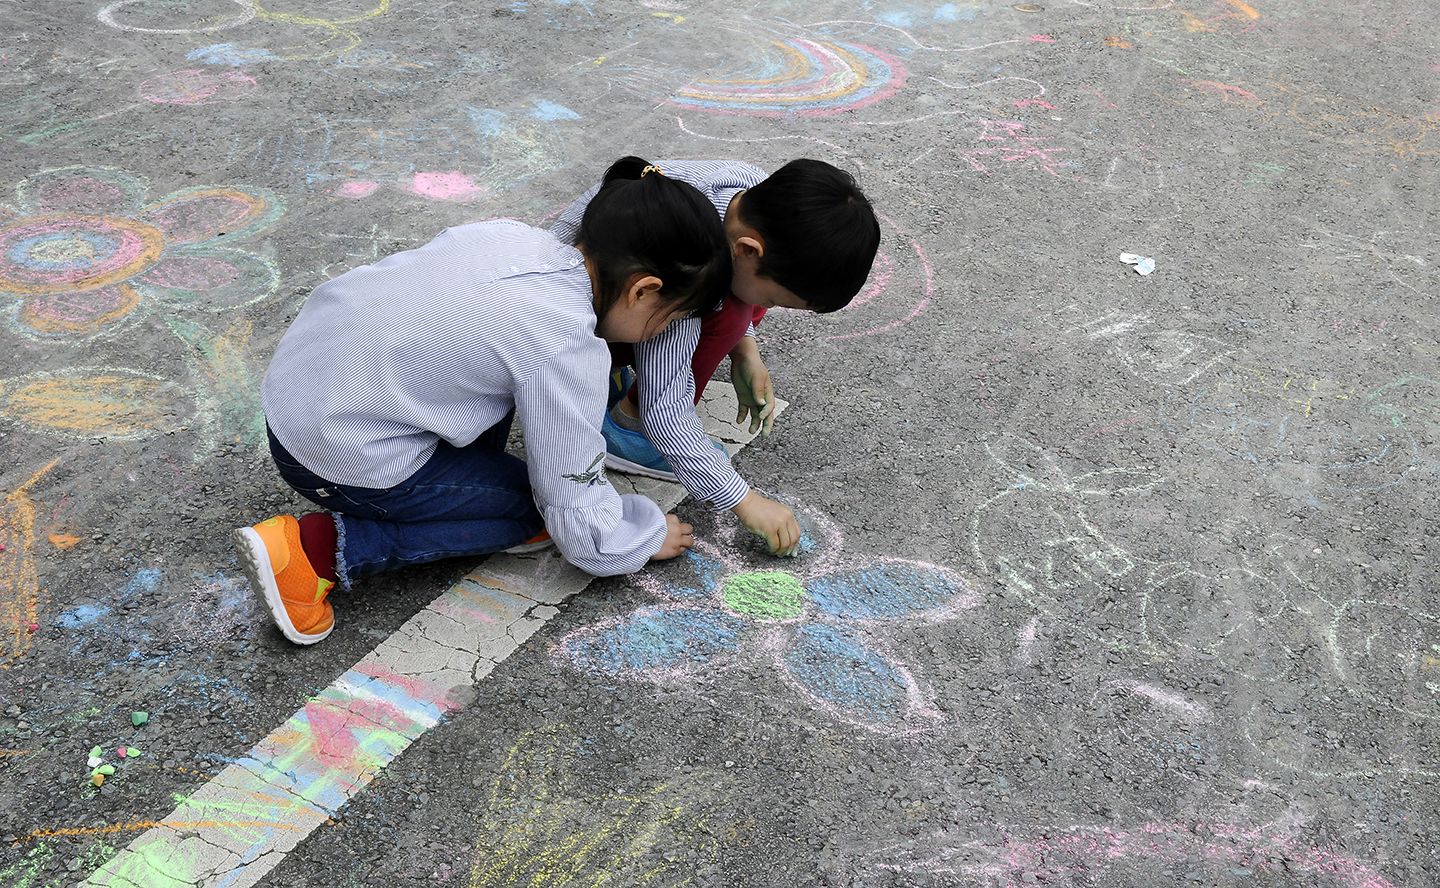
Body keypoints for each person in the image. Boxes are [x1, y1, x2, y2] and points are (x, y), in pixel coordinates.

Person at [233, 157, 732, 645]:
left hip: (299, 394)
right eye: (670, 318)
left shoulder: (512, 235)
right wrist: (638, 537)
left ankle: (443, 481)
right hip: (336, 453)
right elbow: (573, 508)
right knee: (536, 515)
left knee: (498, 386)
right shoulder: (564, 341)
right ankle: (312, 553)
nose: (662, 335)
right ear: (644, 290)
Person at [550, 159, 880, 559]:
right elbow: (665, 407)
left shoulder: (751, 192)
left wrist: (746, 349)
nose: (769, 307)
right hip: (571, 323)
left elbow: (747, 282)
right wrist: (743, 500)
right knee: (730, 307)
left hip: (604, 300)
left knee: (738, 308)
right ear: (746, 249)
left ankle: (606, 367)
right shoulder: (685, 270)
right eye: (775, 300)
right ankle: (628, 428)